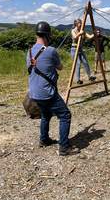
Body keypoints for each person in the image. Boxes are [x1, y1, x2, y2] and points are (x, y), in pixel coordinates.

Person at [27, 21, 80, 156]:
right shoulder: (51, 51)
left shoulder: (28, 52)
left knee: (46, 114)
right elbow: (60, 67)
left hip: (34, 93)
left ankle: (44, 140)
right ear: (48, 35)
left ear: (37, 34)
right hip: (47, 92)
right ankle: (64, 147)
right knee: (65, 115)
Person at [71, 19, 96, 84]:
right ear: (76, 24)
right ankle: (78, 80)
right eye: (80, 23)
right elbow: (74, 37)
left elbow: (90, 37)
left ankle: (90, 76)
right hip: (74, 49)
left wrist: (94, 33)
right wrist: (80, 33)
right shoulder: (73, 30)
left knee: (85, 62)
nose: (82, 24)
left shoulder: (83, 31)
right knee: (78, 64)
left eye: (81, 23)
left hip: (80, 49)